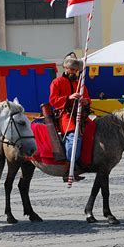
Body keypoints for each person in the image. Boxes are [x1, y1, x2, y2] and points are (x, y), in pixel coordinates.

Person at [49, 52, 91, 181]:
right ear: (66, 68)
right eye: (72, 69)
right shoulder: (57, 82)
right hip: (65, 115)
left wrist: (86, 101)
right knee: (74, 138)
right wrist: (69, 98)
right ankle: (69, 168)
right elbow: (53, 100)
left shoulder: (80, 83)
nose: (74, 72)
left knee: (95, 130)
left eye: (76, 70)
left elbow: (88, 98)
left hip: (81, 115)